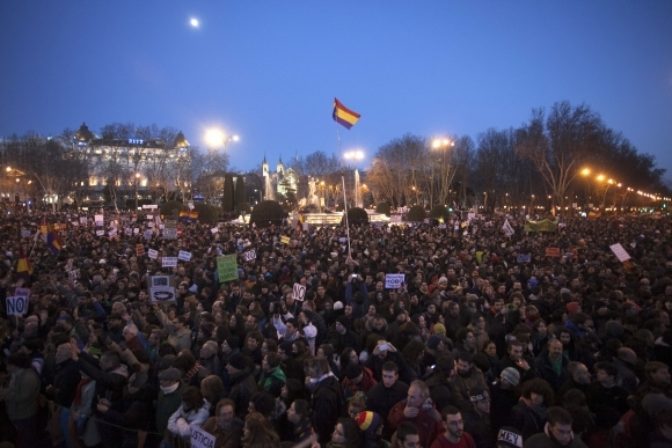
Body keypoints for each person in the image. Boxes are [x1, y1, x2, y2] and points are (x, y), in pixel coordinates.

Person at [387, 379, 443, 448]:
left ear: (422, 398)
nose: (408, 399)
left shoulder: (432, 414)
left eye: (412, 397)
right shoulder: (402, 406)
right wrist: (403, 415)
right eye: (408, 395)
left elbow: (440, 433)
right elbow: (390, 422)